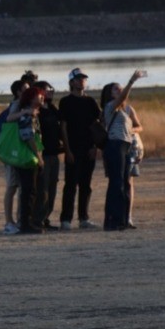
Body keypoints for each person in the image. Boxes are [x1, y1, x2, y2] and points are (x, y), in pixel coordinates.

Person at [101, 69, 146, 231]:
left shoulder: (125, 111)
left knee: (126, 183)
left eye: (120, 87)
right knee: (116, 183)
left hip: (126, 146)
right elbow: (123, 98)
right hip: (115, 145)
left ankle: (124, 219)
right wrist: (131, 81)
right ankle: (112, 220)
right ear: (109, 93)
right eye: (115, 88)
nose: (119, 90)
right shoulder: (110, 107)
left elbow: (137, 125)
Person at [58, 68, 101, 230]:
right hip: (73, 149)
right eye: (78, 79)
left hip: (89, 148)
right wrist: (67, 150)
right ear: (72, 82)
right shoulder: (65, 102)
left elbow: (97, 125)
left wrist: (95, 146)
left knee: (86, 184)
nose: (82, 81)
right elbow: (63, 126)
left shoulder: (90, 102)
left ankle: (84, 218)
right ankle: (66, 219)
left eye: (84, 78)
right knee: (70, 184)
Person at [0, 79, 27, 235]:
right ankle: (8, 222)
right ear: (18, 92)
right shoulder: (16, 105)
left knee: (18, 186)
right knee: (12, 186)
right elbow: (10, 118)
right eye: (25, 89)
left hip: (17, 152)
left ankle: (17, 220)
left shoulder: (22, 105)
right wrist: (24, 112)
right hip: (12, 152)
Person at [6, 86, 45, 234]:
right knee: (28, 191)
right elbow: (27, 136)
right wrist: (38, 156)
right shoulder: (26, 115)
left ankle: (28, 223)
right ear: (30, 98)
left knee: (31, 190)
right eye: (38, 96)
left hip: (30, 157)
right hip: (27, 158)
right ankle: (25, 224)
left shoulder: (33, 114)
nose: (42, 98)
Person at [32, 80, 64, 230]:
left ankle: (45, 218)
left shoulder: (52, 108)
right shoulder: (37, 111)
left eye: (51, 88)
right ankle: (37, 220)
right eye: (47, 89)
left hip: (54, 154)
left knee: (52, 188)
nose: (51, 91)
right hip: (43, 154)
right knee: (42, 189)